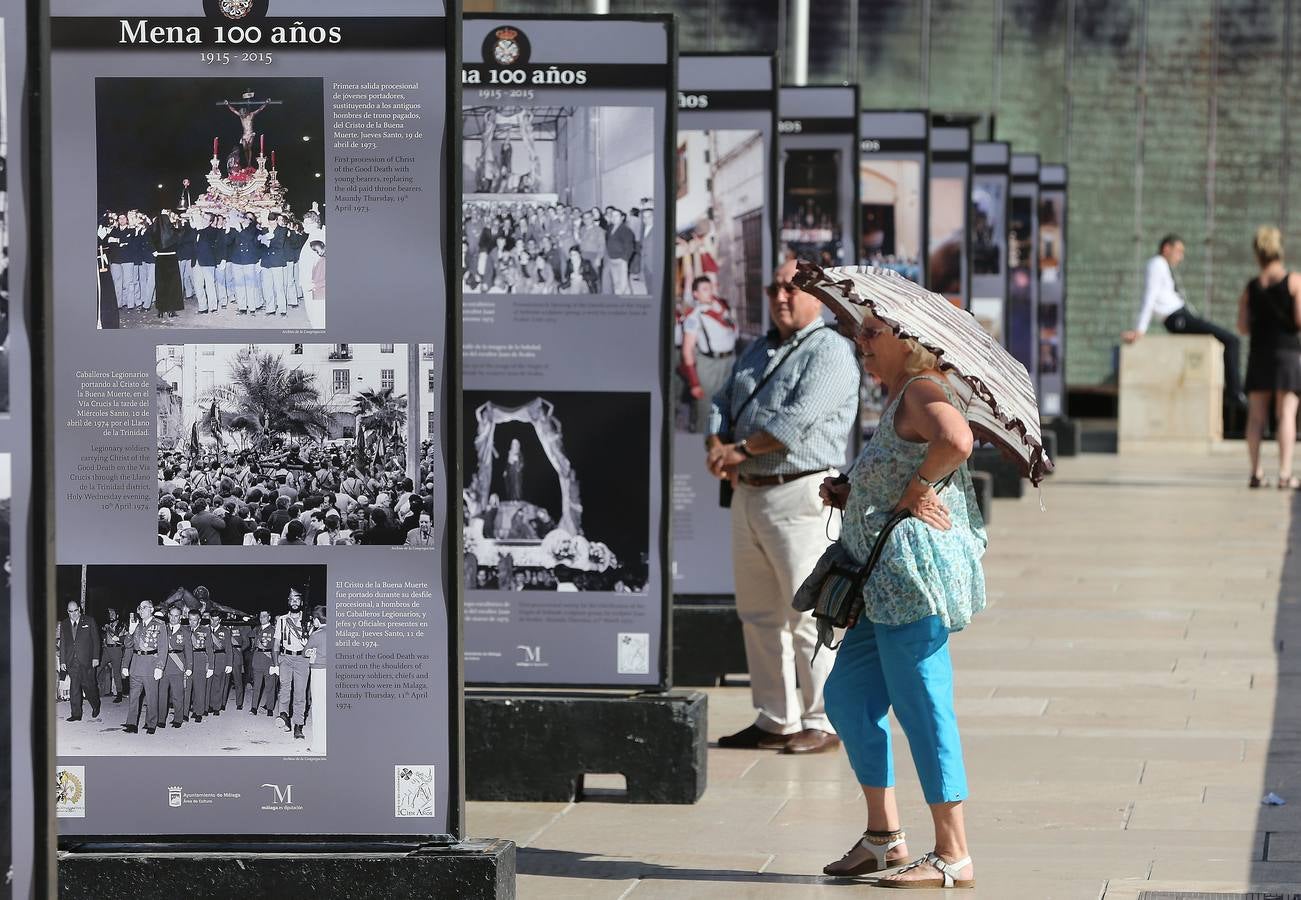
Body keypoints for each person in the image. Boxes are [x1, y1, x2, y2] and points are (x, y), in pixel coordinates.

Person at [816, 311, 986, 889]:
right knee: (845, 698)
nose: (859, 341)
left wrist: (918, 487)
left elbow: (956, 440)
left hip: (909, 586)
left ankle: (953, 851)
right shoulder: (898, 399)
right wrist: (853, 489)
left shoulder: (920, 389)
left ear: (906, 339)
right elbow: (898, 466)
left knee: (923, 706)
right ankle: (884, 838)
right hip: (877, 587)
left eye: (871, 332)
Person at [705, 258, 860, 753]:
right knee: (757, 613)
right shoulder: (757, 347)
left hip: (800, 491)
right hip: (749, 492)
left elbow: (799, 420)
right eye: (774, 288)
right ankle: (776, 717)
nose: (781, 297)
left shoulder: (832, 351)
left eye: (793, 288)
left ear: (817, 295)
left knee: (808, 612)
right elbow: (721, 399)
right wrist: (716, 440)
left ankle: (823, 719)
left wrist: (740, 450)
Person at [1123, 233, 1245, 407]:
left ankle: (1234, 392)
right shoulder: (1157, 264)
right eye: (1178, 251)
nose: (1180, 256)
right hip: (1177, 317)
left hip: (1181, 315)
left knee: (1229, 340)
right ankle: (1235, 393)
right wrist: (1140, 330)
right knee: (1231, 340)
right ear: (1166, 248)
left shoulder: (1162, 266)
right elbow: (1149, 298)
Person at [1238, 225, 1301, 489]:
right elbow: (1299, 320)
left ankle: (1256, 473)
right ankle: (1285, 475)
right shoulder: (1294, 281)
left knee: (1256, 417)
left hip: (1259, 353)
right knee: (1286, 414)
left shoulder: (1252, 286)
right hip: (1287, 353)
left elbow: (1242, 327)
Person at [679, 276, 739, 433]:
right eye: (704, 289)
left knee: (730, 407)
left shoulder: (722, 308)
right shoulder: (694, 317)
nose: (710, 292)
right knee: (706, 409)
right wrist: (694, 383)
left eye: (710, 288)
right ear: (695, 294)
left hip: (730, 361)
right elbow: (687, 350)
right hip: (709, 365)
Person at [273, 588, 313, 740]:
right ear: (288, 602)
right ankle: (284, 716)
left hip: (302, 659)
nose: (294, 602)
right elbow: (276, 644)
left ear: (301, 602)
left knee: (300, 693)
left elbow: (314, 643)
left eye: (297, 599)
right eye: (292, 599)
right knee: (284, 689)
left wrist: (308, 646)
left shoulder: (308, 620)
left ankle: (298, 725)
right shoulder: (282, 620)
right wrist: (276, 663)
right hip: (286, 658)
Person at [122, 601, 164, 734]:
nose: (140, 610)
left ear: (151, 609)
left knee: (152, 696)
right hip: (136, 665)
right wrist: (130, 631)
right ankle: (132, 723)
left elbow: (163, 648)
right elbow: (128, 645)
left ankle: (151, 723)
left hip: (151, 665)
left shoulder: (159, 625)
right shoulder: (137, 625)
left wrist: (160, 667)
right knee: (134, 696)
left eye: (144, 607)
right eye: (139, 608)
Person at [58, 600, 101, 722]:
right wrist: (62, 661)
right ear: (68, 612)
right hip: (72, 661)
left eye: (75, 610)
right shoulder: (64, 624)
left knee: (89, 687)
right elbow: (63, 644)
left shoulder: (89, 621)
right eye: (71, 611)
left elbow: (96, 641)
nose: (74, 614)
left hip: (87, 660)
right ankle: (76, 714)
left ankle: (96, 704)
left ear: (79, 609)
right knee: (74, 688)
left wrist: (95, 657)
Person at [157, 603, 193, 729]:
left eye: (176, 616)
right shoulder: (162, 628)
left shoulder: (185, 632)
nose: (173, 618)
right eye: (171, 616)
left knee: (178, 694)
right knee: (162, 694)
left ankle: (178, 718)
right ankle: (161, 719)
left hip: (178, 665)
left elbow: (188, 651)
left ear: (181, 617)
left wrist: (189, 667)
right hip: (164, 665)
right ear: (168, 615)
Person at [304, 603, 329, 749]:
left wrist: (306, 644)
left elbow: (304, 652)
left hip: (319, 672)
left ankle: (319, 745)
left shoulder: (316, 634)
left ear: (317, 620)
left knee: (318, 708)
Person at [184, 608, 214, 723]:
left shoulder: (205, 631)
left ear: (199, 620)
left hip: (200, 660)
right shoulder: (184, 630)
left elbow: (210, 649)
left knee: (199, 688)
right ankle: (185, 713)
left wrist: (211, 666)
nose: (192, 622)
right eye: (190, 620)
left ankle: (198, 712)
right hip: (186, 661)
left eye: (194, 620)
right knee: (186, 688)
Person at [249, 609, 278, 716]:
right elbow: (250, 640)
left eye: (264, 616)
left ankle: (270, 708)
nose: (262, 619)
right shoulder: (257, 629)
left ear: (269, 617)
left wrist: (274, 660)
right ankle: (253, 707)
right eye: (261, 616)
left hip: (268, 659)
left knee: (270, 685)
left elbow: (277, 646)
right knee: (256, 685)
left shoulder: (274, 630)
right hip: (257, 659)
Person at [209, 610, 234, 714]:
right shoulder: (205, 630)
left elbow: (229, 648)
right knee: (209, 683)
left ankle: (216, 707)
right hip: (208, 658)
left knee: (219, 684)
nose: (214, 622)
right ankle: (209, 705)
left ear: (220, 620)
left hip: (220, 658)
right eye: (212, 619)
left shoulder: (225, 631)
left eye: (216, 620)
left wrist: (229, 663)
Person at [99, 607, 126, 702]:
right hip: (107, 649)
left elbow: (117, 637)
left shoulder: (121, 625)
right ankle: (91, 689)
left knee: (116, 673)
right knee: (98, 668)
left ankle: (119, 694)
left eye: (113, 613)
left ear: (117, 615)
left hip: (116, 649)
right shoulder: (108, 624)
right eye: (110, 613)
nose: (111, 615)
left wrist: (108, 628)